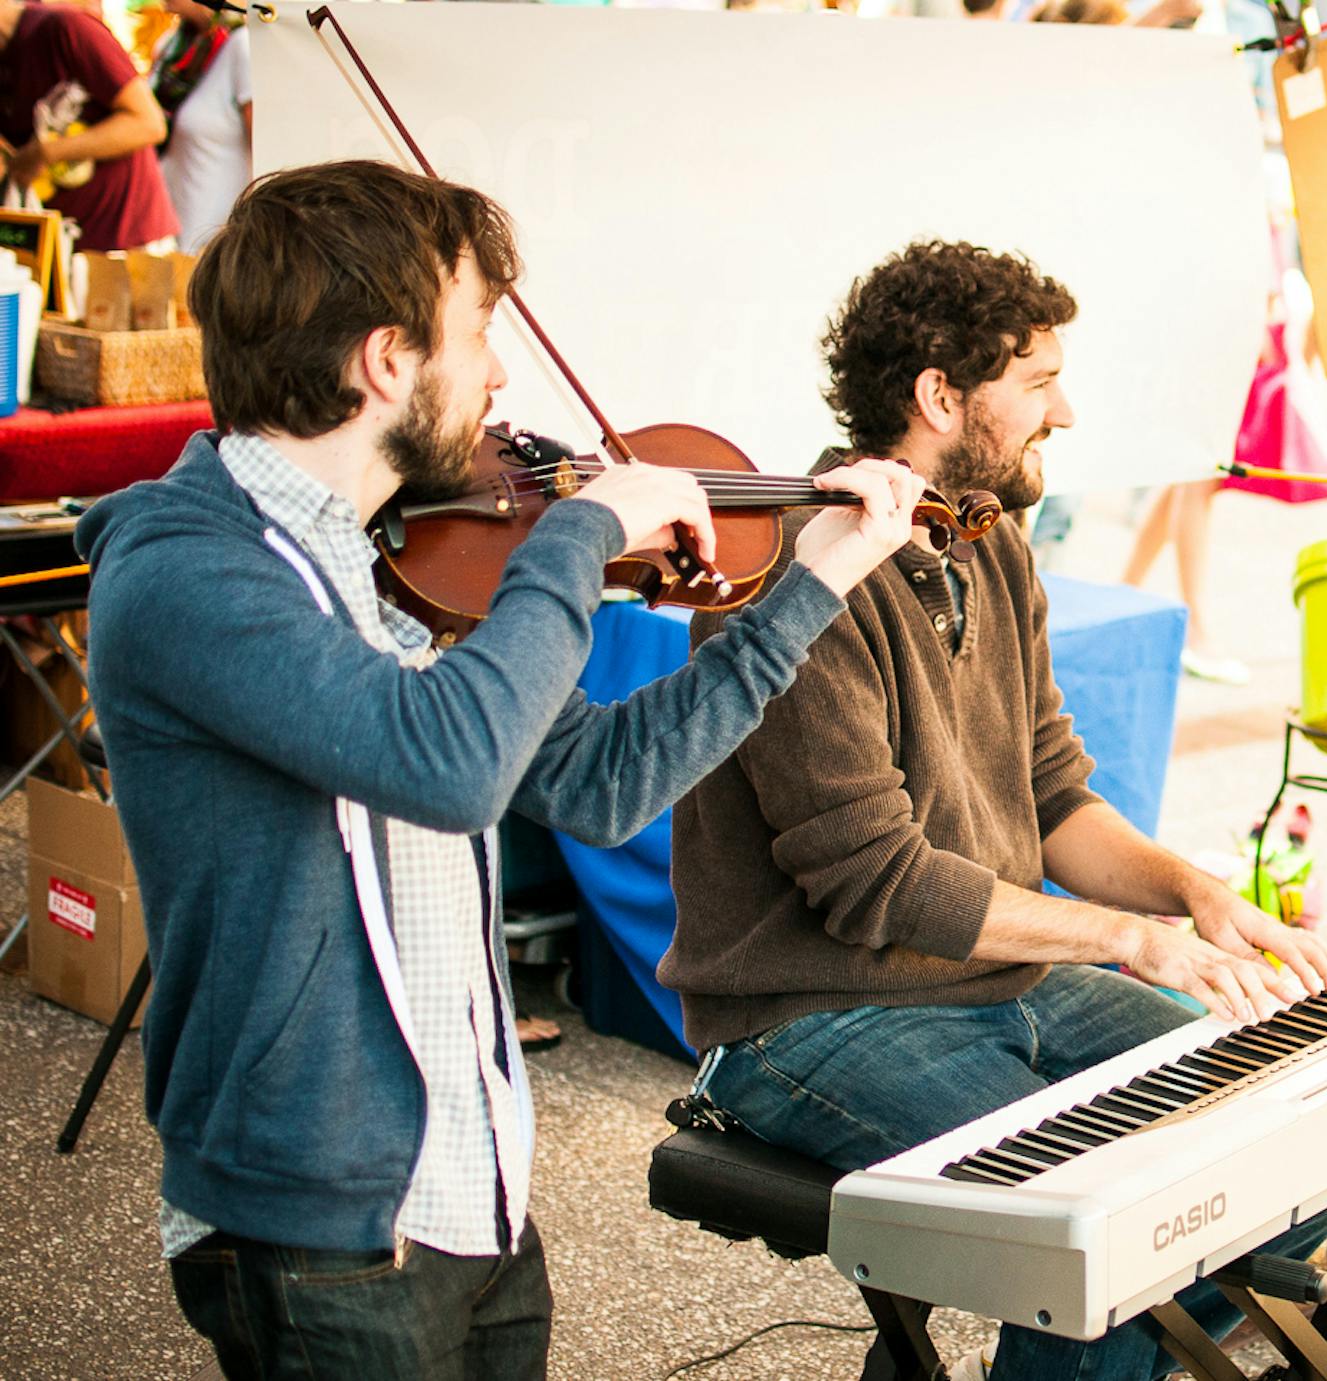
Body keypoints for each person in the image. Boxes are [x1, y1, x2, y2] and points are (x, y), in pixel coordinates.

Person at [74, 159, 923, 1380]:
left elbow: (600, 781)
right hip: (320, 1218)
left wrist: (813, 585)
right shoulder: (188, 571)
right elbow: (452, 764)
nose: (499, 376)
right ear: (385, 362)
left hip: (470, 1177)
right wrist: (580, 532)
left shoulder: (398, 561)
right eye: (477, 331)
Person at [664, 239, 1327, 1381]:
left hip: (994, 984)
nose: (1064, 410)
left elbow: (1054, 793)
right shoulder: (800, 575)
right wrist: (1133, 941)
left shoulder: (992, 540)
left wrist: (1196, 896)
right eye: (1037, 380)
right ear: (940, 396)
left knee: (1296, 1143)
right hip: (809, 1019)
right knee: (1127, 1222)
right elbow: (877, 880)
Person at [0, 0, 177, 252]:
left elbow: (149, 123)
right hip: (59, 242)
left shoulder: (65, 28)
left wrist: (45, 152)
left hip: (126, 242)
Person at [151, 0, 250, 254]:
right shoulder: (171, 47)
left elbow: (263, 146)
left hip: (212, 236)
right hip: (165, 231)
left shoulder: (241, 46)